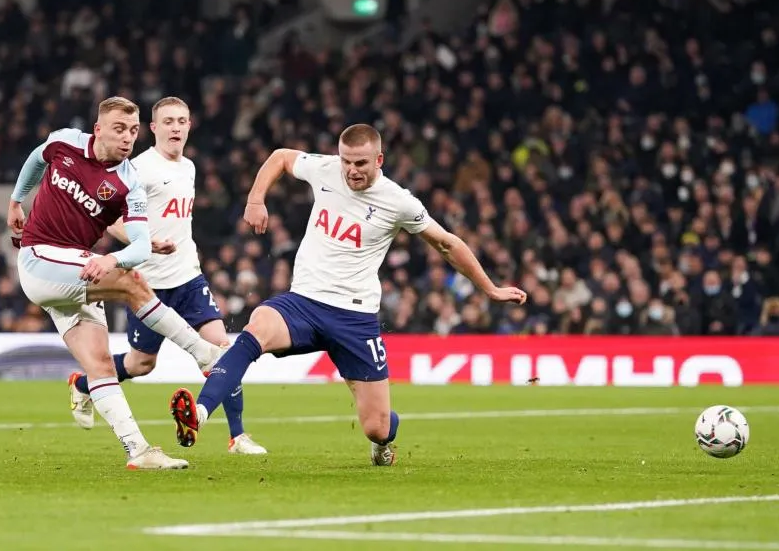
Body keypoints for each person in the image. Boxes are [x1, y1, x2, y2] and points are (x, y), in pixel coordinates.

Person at [168, 124, 527, 465]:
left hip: (354, 318)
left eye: (360, 163)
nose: (351, 171)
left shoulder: (398, 201)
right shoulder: (325, 169)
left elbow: (447, 244)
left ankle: (383, 441)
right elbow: (280, 156)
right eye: (346, 161)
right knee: (256, 327)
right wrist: (255, 199)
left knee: (377, 427)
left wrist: (490, 289)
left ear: (379, 161)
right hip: (304, 303)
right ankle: (198, 414)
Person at [8, 96, 226, 470]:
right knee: (132, 283)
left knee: (102, 366)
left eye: (133, 131)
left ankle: (138, 450)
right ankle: (204, 353)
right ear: (98, 130)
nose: (127, 138)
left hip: (78, 267)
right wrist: (16, 200)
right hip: (40, 259)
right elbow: (35, 158)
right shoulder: (65, 142)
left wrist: (112, 257)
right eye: (119, 129)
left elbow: (140, 245)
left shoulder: (128, 183)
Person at [67, 96, 267, 455]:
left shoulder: (188, 168)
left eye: (182, 121)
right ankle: (82, 383)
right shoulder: (138, 169)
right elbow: (111, 220)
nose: (176, 127)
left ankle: (237, 436)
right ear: (154, 128)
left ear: (189, 126)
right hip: (148, 284)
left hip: (188, 278)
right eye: (168, 121)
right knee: (140, 364)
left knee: (222, 349)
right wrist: (144, 242)